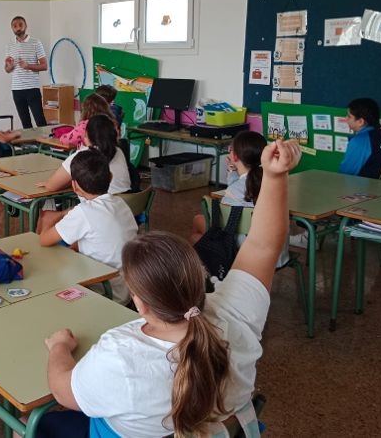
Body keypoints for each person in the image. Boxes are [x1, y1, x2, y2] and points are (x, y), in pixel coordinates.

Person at [40, 139, 301, 438]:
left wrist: (59, 347)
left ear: (140, 304)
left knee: (34, 425)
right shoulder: (234, 313)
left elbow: (63, 391)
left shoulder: (119, 356)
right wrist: (275, 175)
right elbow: (264, 244)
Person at [39, 150, 137, 305]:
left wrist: (50, 218)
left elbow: (44, 240)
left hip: (105, 293)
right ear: (110, 177)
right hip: (129, 290)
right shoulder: (120, 203)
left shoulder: (83, 212)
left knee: (47, 275)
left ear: (74, 186)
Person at [190, 130, 291, 268]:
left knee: (197, 231)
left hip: (247, 257)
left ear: (235, 156)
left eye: (230, 149)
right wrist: (232, 170)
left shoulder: (234, 190)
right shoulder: (273, 184)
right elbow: (242, 186)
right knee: (200, 221)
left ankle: (210, 272)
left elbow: (222, 226)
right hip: (278, 256)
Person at [36, 115, 134, 233]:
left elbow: (52, 186)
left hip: (100, 214)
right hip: (127, 208)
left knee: (51, 216)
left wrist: (50, 182)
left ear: (87, 136)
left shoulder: (84, 156)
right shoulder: (119, 151)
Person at [4, 16, 48, 129]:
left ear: (25, 26)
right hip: (17, 89)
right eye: (15, 26)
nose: (18, 28)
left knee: (40, 121)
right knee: (25, 123)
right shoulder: (9, 45)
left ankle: (45, 146)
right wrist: (9, 66)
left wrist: (28, 66)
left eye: (20, 25)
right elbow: (7, 69)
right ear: (12, 28)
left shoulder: (35, 43)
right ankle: (30, 146)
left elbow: (44, 65)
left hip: (32, 88)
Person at [339, 97, 381, 178]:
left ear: (360, 121)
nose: (346, 119)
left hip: (365, 188)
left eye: (349, 116)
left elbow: (345, 174)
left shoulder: (359, 141)